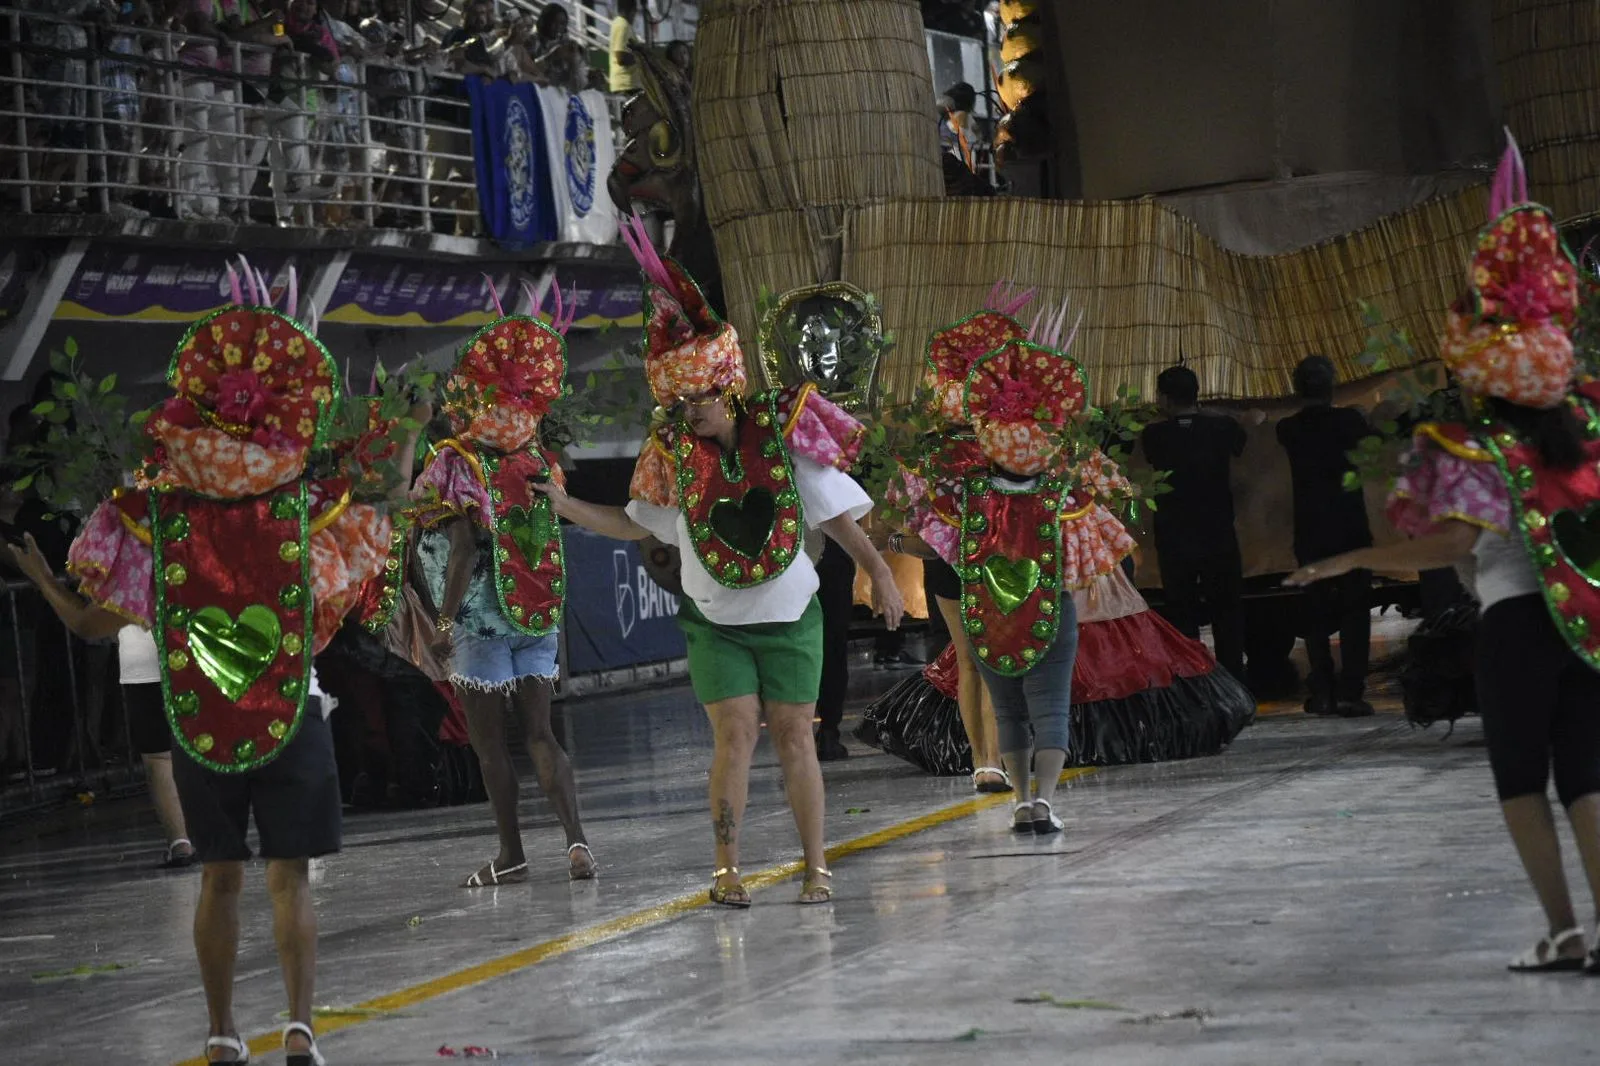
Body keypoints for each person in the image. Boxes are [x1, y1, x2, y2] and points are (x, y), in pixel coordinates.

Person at [61, 265, 401, 1064]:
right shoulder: (313, 512)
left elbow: (99, 608)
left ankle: (220, 1033)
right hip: (292, 708)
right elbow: (337, 608)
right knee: (292, 879)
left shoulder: (154, 522)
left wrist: (51, 581)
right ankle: (300, 1029)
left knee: (221, 878)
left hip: (198, 719)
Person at [1287, 137, 1600, 975]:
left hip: (1519, 627)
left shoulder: (1472, 438)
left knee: (1521, 781)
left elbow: (1457, 543)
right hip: (1589, 623)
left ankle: (1567, 932)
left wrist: (1352, 557)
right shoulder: (1585, 428)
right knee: (1588, 780)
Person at [540, 216, 904, 907]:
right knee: (734, 735)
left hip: (792, 613)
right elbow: (633, 523)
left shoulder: (784, 436)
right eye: (675, 404)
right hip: (715, 621)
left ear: (726, 386)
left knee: (797, 735)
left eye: (697, 398)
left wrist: (879, 571)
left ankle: (816, 866)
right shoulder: (671, 457)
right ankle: (726, 870)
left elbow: (834, 513)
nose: (688, 413)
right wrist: (565, 506)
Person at [409, 281, 596, 886]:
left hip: (479, 624)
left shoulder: (454, 460)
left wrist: (440, 622)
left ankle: (511, 853)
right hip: (537, 614)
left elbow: (461, 548)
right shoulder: (535, 458)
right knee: (541, 733)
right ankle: (577, 842)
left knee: (491, 748)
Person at [7, 539, 196, 866]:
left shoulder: (132, 545)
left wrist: (41, 577)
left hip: (148, 655)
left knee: (160, 758)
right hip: (205, 653)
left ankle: (182, 843)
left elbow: (87, 623)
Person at [1140, 363, 1259, 686]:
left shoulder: (1154, 435)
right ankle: (1235, 684)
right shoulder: (1222, 429)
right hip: (1218, 533)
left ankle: (1194, 686)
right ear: (1197, 394)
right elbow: (1242, 436)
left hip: (1174, 538)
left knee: (1182, 615)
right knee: (1227, 613)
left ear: (1163, 398)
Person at [1275, 354, 1375, 716]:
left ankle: (1322, 689)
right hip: (1349, 526)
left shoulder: (1288, 429)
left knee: (1315, 611)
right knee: (1355, 610)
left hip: (1310, 530)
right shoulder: (1351, 422)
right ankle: (1352, 691)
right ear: (1333, 387)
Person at [608, 0, 638, 94]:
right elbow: (620, 56)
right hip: (626, 86)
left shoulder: (621, 24)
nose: (634, 17)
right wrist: (641, 58)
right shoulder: (622, 25)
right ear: (631, 11)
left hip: (627, 84)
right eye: (634, 13)